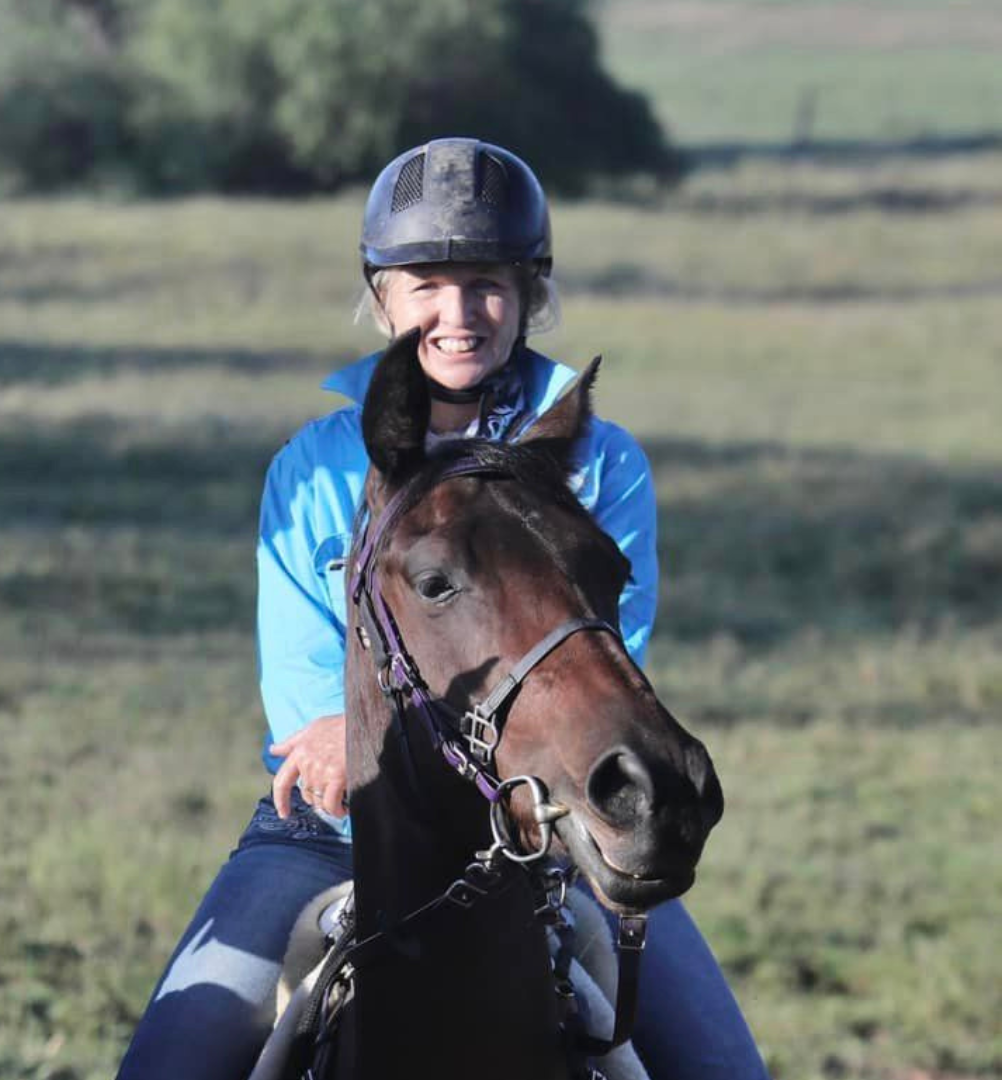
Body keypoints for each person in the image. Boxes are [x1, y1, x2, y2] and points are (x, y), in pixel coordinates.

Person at [115, 138, 770, 1080]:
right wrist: (337, 731)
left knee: (725, 1072)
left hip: (545, 828)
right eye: (425, 283)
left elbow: (602, 650)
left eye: (487, 284)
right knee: (165, 1068)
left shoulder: (602, 457)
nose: (456, 315)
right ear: (380, 293)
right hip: (331, 829)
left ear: (530, 292)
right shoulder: (313, 467)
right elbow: (302, 669)